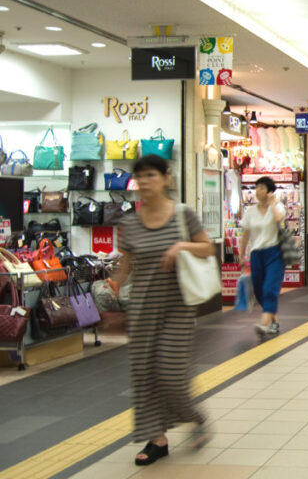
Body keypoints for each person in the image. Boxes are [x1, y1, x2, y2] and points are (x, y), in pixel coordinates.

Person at [113, 155, 214, 466]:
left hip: (177, 307)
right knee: (143, 373)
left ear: (167, 178)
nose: (145, 182)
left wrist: (182, 246)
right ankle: (156, 438)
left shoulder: (183, 215)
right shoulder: (129, 223)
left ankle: (195, 417)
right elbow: (125, 266)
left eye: (152, 175)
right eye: (140, 176)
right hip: (142, 307)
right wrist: (113, 292)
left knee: (170, 372)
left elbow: (208, 247)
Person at [240, 176, 287, 335]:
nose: (257, 190)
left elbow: (278, 219)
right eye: (256, 187)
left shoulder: (278, 207)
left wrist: (272, 202)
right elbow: (245, 234)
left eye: (262, 187)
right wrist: (241, 255)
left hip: (275, 253)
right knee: (260, 291)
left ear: (269, 191)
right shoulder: (250, 211)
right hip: (256, 254)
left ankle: (264, 323)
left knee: (270, 288)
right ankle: (274, 321)